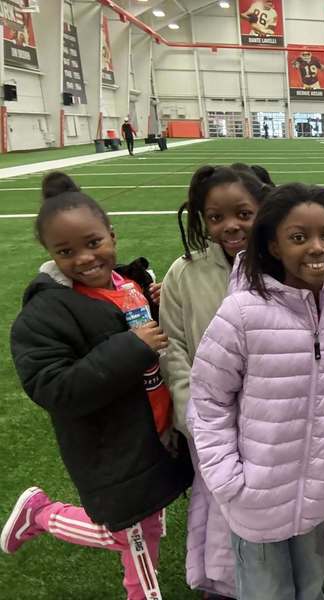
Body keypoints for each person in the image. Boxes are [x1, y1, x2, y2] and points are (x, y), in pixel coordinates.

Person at [3, 172, 193, 600]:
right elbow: (54, 387)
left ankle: (41, 514)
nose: (85, 258)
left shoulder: (125, 285)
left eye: (94, 243)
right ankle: (44, 516)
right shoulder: (46, 313)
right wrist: (131, 348)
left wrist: (155, 303)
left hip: (154, 433)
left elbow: (145, 335)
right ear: (49, 253)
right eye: (66, 251)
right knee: (137, 538)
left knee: (148, 523)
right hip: (115, 447)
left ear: (112, 234)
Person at [188, 183, 324, 600]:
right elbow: (208, 399)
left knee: (309, 588)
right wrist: (228, 480)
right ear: (273, 245)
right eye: (298, 238)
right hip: (254, 498)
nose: (317, 248)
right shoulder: (243, 313)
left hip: (317, 496)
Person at [159, 165, 271, 599]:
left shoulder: (280, 265)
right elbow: (173, 349)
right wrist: (194, 414)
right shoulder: (183, 274)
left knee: (265, 506)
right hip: (209, 422)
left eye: (243, 213)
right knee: (218, 507)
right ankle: (220, 586)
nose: (230, 226)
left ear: (263, 210)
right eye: (215, 216)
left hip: (267, 418)